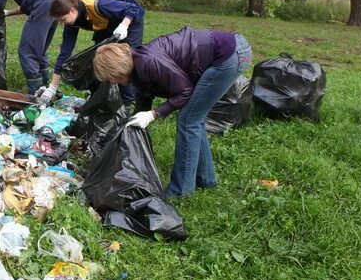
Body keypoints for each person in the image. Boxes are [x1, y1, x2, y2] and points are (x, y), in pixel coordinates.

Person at [93, 27, 252, 198]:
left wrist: (154, 114)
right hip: (227, 50)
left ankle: (181, 190)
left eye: (112, 78)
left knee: (188, 119)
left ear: (118, 70)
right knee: (194, 118)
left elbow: (185, 91)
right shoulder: (136, 65)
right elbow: (144, 96)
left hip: (229, 55)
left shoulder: (148, 62)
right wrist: (134, 125)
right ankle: (206, 179)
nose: (114, 82)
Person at [41, 0, 146, 104]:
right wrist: (53, 87)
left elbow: (132, 8)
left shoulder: (100, 4)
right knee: (100, 59)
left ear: (71, 10)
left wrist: (124, 25)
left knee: (126, 60)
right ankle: (102, 97)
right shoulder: (71, 20)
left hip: (130, 18)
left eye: (63, 19)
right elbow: (65, 53)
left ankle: (126, 102)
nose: (63, 23)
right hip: (106, 22)